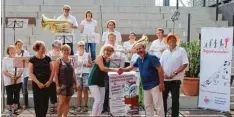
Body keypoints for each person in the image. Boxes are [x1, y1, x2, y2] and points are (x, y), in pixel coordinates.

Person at [118, 43, 165, 117]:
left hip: (155, 85)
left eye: (140, 48)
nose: (138, 50)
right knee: (148, 106)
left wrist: (161, 83)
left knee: (158, 106)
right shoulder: (139, 59)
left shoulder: (152, 57)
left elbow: (160, 69)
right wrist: (123, 69)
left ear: (144, 48)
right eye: (137, 49)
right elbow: (132, 67)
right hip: (145, 86)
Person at [160, 33, 188, 117]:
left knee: (175, 100)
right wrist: (163, 73)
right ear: (167, 41)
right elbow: (160, 65)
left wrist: (175, 73)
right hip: (165, 80)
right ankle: (163, 115)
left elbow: (185, 64)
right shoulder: (165, 52)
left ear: (176, 41)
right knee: (163, 100)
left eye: (173, 39)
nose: (171, 40)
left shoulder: (181, 50)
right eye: (169, 39)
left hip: (175, 80)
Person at [89, 44, 118, 117]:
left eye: (110, 51)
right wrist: (115, 70)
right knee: (98, 100)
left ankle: (97, 115)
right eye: (107, 50)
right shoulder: (99, 57)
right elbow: (102, 68)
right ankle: (93, 115)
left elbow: (107, 71)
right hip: (93, 81)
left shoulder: (108, 60)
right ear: (104, 50)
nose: (108, 52)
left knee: (101, 101)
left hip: (102, 82)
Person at [99, 33, 126, 113]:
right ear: (108, 38)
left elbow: (123, 57)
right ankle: (105, 107)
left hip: (116, 71)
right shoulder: (104, 47)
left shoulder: (119, 47)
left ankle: (115, 106)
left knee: (116, 90)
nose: (111, 39)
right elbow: (101, 57)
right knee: (106, 89)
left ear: (115, 38)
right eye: (110, 38)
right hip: (107, 71)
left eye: (113, 38)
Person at [28, 41, 54, 117]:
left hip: (47, 83)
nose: (44, 49)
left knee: (45, 102)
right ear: (37, 49)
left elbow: (52, 70)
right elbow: (30, 73)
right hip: (37, 84)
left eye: (44, 48)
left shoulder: (48, 58)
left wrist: (50, 81)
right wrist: (38, 83)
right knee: (38, 102)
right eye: (42, 48)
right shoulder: (32, 59)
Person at [54, 44, 78, 117]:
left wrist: (76, 84)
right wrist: (57, 86)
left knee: (67, 102)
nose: (66, 51)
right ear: (61, 51)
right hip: (62, 85)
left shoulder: (72, 60)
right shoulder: (59, 60)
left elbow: (73, 73)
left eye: (67, 50)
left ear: (69, 51)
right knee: (61, 102)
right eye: (64, 50)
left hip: (70, 84)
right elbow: (56, 74)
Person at [2, 45, 23, 115]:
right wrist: (11, 76)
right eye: (10, 50)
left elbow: (22, 69)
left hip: (18, 79)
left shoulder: (19, 58)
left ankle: (16, 109)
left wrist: (17, 76)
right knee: (9, 94)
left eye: (13, 49)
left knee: (17, 94)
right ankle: (9, 110)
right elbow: (4, 70)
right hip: (8, 80)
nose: (12, 51)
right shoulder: (5, 59)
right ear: (8, 51)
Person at [75, 41, 92, 112]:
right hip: (78, 73)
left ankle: (85, 105)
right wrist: (77, 65)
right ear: (77, 47)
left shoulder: (87, 54)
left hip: (85, 73)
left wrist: (85, 65)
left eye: (82, 45)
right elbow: (74, 65)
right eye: (80, 45)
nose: (81, 47)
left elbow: (91, 64)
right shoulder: (75, 55)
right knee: (79, 89)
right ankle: (79, 106)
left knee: (85, 89)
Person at [47, 40, 63, 113]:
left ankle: (58, 105)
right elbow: (47, 63)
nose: (57, 48)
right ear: (53, 46)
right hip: (52, 74)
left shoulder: (62, 53)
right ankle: (52, 104)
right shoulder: (49, 53)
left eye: (59, 46)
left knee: (60, 90)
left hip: (60, 74)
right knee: (52, 90)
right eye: (56, 46)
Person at [14, 39, 30, 109]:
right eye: (18, 44)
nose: (20, 46)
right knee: (16, 90)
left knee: (24, 89)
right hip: (16, 74)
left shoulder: (25, 52)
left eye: (21, 44)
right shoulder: (13, 52)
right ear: (15, 45)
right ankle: (17, 104)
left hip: (24, 73)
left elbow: (28, 61)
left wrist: (22, 60)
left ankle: (25, 104)